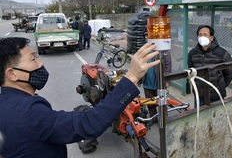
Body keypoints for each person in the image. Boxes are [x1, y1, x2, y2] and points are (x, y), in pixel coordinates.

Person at [0, 37, 160, 158]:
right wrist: (131, 76)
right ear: (12, 74)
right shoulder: (30, 112)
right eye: (33, 58)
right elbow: (89, 124)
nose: (41, 63)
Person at [187, 25, 232, 107]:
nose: (202, 37)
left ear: (211, 38)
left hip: (216, 95)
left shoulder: (222, 53)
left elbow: (229, 73)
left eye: (205, 35)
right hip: (199, 95)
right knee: (199, 117)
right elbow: (191, 71)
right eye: (200, 35)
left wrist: (220, 86)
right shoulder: (192, 53)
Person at [140, 50, 172, 119]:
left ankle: (164, 119)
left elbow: (168, 65)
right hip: (147, 83)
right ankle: (153, 118)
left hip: (159, 84)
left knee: (162, 103)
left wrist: (167, 80)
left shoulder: (164, 50)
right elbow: (140, 65)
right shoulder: (145, 50)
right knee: (150, 103)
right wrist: (139, 80)